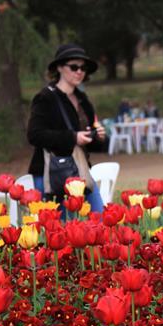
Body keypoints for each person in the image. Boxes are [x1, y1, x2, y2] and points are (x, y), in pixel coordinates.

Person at [27, 44, 107, 212]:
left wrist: (97, 137)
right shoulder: (45, 97)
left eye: (83, 68)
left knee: (101, 219)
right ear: (59, 68)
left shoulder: (82, 99)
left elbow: (88, 142)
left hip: (81, 170)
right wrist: (73, 137)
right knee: (59, 226)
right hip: (52, 174)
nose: (79, 72)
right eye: (74, 67)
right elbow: (34, 135)